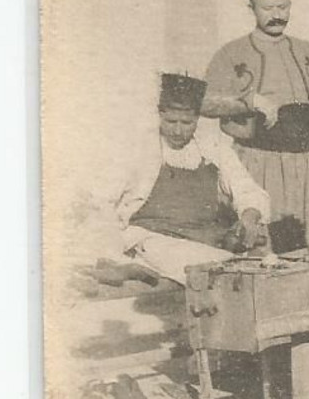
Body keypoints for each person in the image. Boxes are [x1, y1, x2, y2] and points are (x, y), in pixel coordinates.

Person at [202, 0, 309, 250]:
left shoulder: (301, 48)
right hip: (258, 162)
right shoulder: (232, 52)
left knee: (307, 245)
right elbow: (203, 101)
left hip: (305, 164)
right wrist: (247, 101)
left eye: (283, 7)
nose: (277, 15)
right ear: (252, 8)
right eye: (267, 8)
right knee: (262, 247)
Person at [112, 73, 271, 284]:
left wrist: (249, 216)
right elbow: (104, 201)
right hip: (152, 241)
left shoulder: (213, 149)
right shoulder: (139, 150)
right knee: (207, 272)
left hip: (203, 241)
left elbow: (247, 190)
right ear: (160, 115)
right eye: (170, 121)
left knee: (244, 268)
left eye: (186, 122)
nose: (177, 130)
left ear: (197, 118)